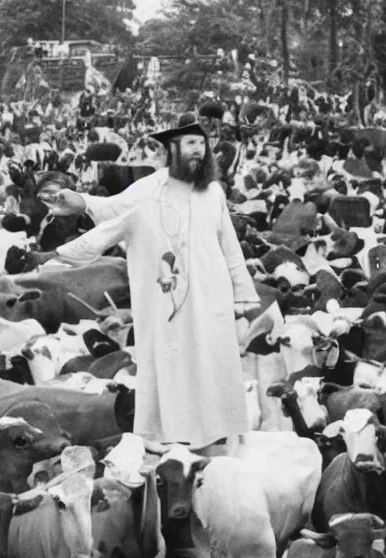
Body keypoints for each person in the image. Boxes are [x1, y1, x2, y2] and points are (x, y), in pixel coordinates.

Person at [34, 115, 260, 450]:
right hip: (168, 304)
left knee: (213, 363)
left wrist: (245, 295)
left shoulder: (213, 192)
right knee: (175, 366)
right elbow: (108, 208)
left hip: (213, 299)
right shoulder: (149, 189)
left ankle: (218, 438)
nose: (198, 151)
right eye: (190, 144)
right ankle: (176, 440)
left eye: (202, 144)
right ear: (173, 148)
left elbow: (230, 247)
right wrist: (75, 201)